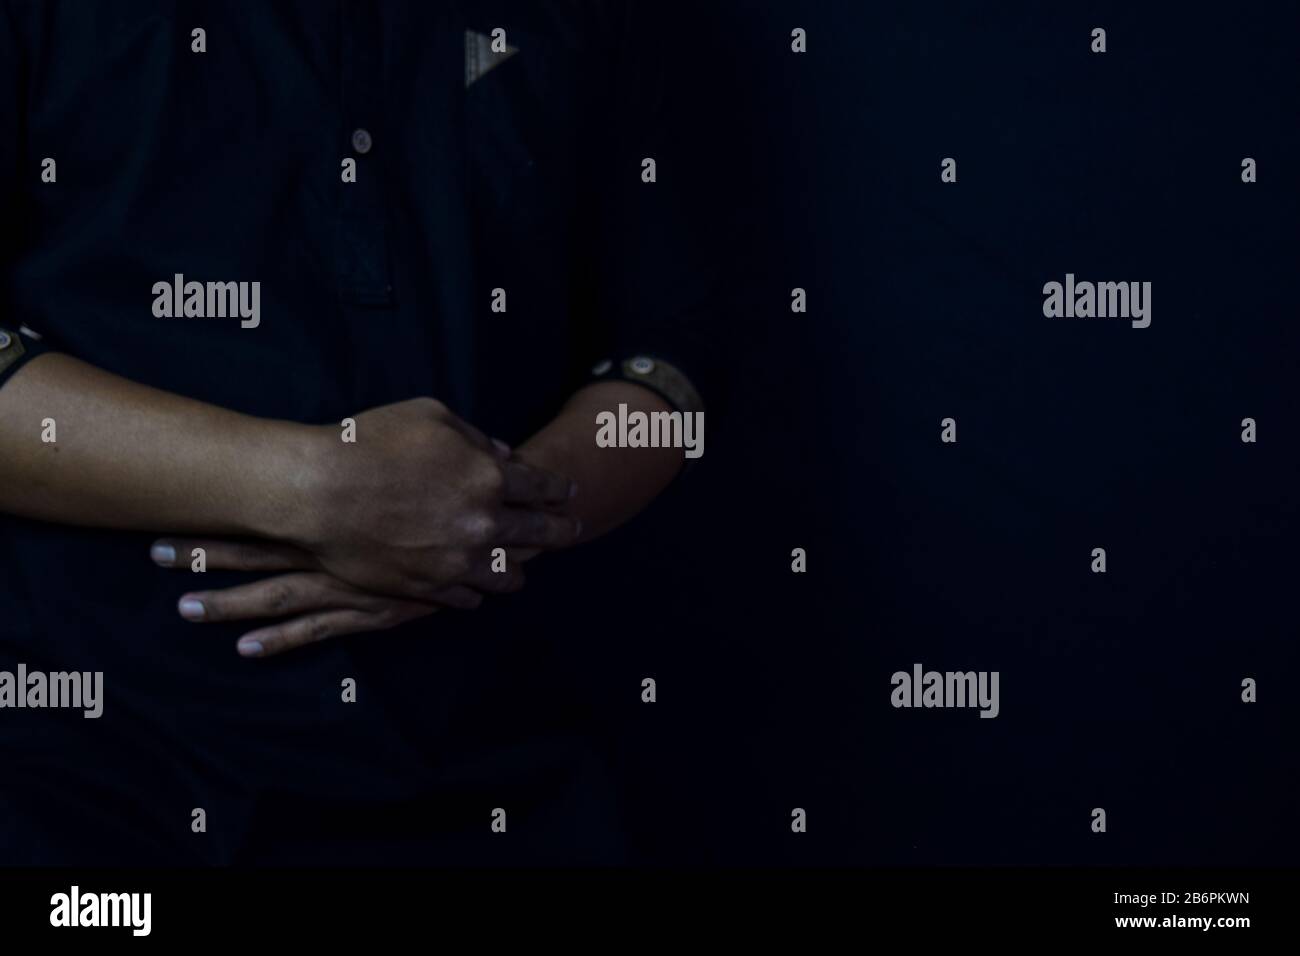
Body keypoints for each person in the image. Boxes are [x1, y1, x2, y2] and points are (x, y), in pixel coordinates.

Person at [0, 0, 715, 864]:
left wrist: (482, 519)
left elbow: (666, 373)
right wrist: (303, 486)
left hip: (497, 768)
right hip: (91, 770)